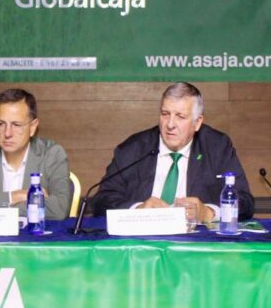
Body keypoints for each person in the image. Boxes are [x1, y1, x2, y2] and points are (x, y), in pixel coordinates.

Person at [92, 82, 254, 219]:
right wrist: (137, 210)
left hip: (196, 243)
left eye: (180, 116)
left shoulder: (217, 146)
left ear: (197, 122)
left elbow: (245, 202)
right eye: (165, 114)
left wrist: (209, 212)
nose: (170, 124)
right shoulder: (133, 148)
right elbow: (101, 201)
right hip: (142, 242)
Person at [0, 88, 72, 220]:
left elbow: (59, 209)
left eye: (16, 125)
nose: (7, 133)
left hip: (35, 238)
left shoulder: (52, 154)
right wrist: (16, 196)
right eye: (1, 124)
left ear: (33, 127)